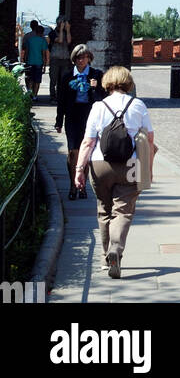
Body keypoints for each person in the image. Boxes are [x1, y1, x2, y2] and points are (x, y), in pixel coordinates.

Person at [74, 64, 155, 279]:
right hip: (130, 164)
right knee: (123, 211)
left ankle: (104, 256)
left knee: (104, 210)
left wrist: (79, 169)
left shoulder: (98, 107)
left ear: (107, 83)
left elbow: (88, 142)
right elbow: (149, 140)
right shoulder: (138, 105)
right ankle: (116, 251)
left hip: (100, 164)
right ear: (128, 83)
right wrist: (148, 168)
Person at [55, 44, 105, 199]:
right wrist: (58, 121)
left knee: (86, 152)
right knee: (73, 152)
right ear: (74, 59)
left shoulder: (96, 74)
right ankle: (72, 186)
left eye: (84, 57)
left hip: (89, 117)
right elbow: (61, 100)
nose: (81, 60)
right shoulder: (67, 76)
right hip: (72, 116)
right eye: (78, 57)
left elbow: (102, 99)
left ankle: (83, 187)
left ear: (89, 58)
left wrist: (95, 88)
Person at [19, 20, 50, 99]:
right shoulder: (43, 40)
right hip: (39, 62)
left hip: (29, 61)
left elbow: (25, 51)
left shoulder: (29, 39)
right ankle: (35, 96)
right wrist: (45, 64)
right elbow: (44, 53)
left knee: (29, 79)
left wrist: (23, 60)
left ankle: (29, 93)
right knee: (37, 80)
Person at [47, 17, 72, 101]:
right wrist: (61, 29)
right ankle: (52, 97)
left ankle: (60, 96)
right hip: (55, 59)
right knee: (53, 79)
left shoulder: (67, 32)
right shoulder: (52, 33)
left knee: (63, 80)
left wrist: (68, 30)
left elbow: (69, 41)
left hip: (65, 59)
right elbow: (60, 40)